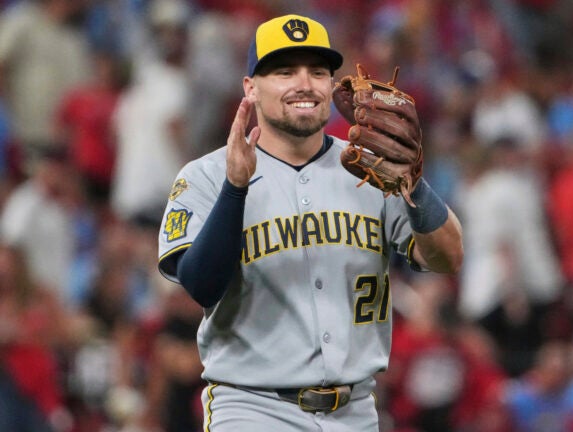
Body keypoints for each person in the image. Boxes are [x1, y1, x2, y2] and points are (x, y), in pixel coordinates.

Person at [156, 13, 463, 431]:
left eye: (318, 71)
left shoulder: (373, 169)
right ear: (250, 88)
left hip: (356, 410)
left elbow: (449, 257)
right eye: (284, 71)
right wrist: (235, 190)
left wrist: (413, 187)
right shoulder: (206, 176)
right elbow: (201, 285)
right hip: (252, 407)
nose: (304, 83)